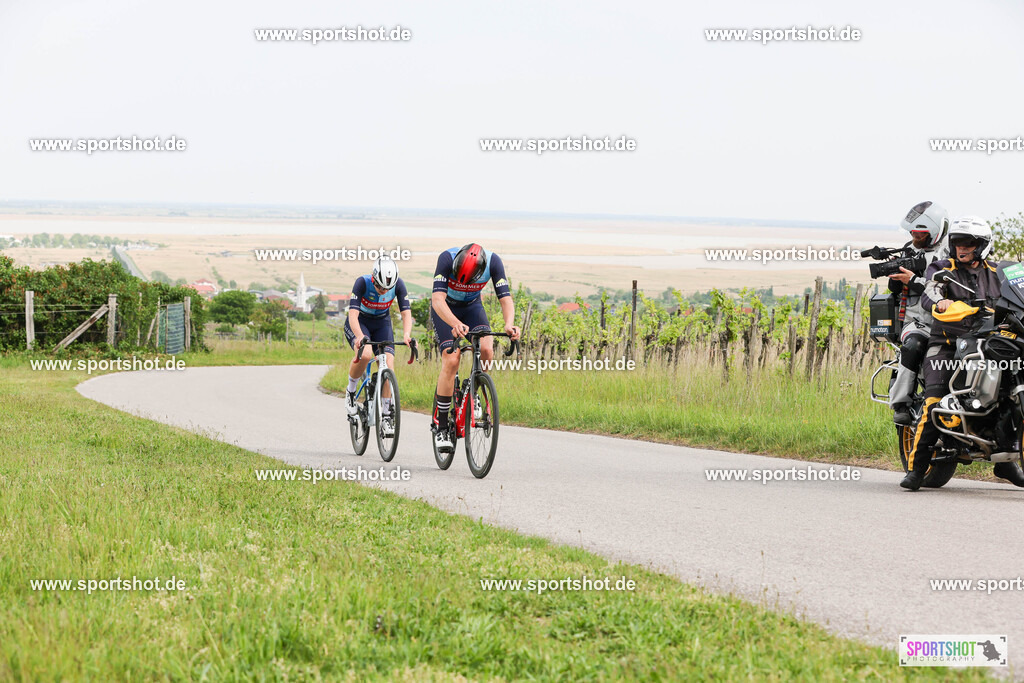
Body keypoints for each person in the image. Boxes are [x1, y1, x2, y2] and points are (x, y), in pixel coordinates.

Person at [901, 216, 1024, 490]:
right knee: (935, 400)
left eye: (968, 243)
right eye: (957, 242)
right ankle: (916, 468)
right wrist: (942, 301)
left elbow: (1020, 288)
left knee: (1007, 394)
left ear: (982, 245)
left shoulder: (1000, 270)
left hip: (989, 342)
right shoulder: (942, 268)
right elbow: (930, 289)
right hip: (947, 343)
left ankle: (1005, 462)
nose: (962, 248)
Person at [430, 243, 520, 450]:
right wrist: (454, 323)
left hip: (472, 308)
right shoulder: (446, 258)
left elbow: (505, 299)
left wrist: (509, 324)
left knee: (487, 349)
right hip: (445, 309)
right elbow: (437, 300)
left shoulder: (493, 262)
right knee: (452, 359)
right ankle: (442, 427)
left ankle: (475, 392)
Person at [888, 201, 949, 425]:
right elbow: (894, 290)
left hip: (950, 322)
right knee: (912, 345)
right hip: (916, 321)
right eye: (913, 232)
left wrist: (913, 280)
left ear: (934, 232)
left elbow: (947, 288)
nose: (915, 236)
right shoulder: (908, 249)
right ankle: (901, 403)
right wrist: (895, 274)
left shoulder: (951, 252)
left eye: (921, 233)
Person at [344, 256, 413, 437]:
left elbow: (406, 314)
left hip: (382, 324)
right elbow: (352, 316)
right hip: (360, 323)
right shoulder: (362, 283)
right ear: (374, 279)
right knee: (366, 354)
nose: (383, 291)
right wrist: (359, 336)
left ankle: (387, 415)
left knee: (388, 366)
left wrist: (407, 335)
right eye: (380, 287)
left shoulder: (398, 285)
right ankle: (351, 392)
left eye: (387, 288)